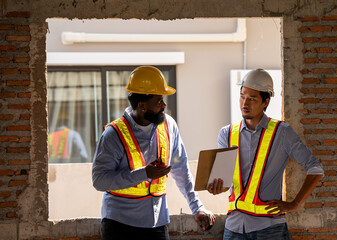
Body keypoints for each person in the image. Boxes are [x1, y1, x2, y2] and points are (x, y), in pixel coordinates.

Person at [92, 66, 215, 240]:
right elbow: (99, 180)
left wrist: (197, 208)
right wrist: (144, 174)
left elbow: (181, 170)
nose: (164, 105)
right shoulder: (113, 135)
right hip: (119, 225)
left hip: (156, 224)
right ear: (142, 106)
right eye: (158, 101)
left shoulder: (169, 126)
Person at [207, 69, 324, 240]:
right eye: (242, 96)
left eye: (252, 99)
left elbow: (315, 168)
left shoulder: (282, 133)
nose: (244, 103)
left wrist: (294, 204)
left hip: (270, 230)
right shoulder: (226, 134)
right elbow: (224, 180)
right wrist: (215, 187)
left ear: (265, 102)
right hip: (234, 228)